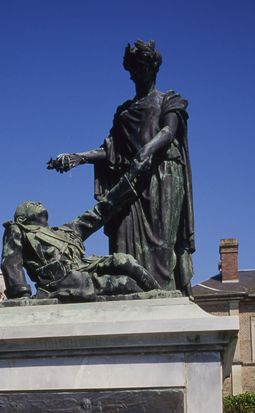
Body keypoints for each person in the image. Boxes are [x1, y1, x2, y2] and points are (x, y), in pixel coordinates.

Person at [48, 39, 195, 296]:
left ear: (153, 68)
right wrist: (77, 157)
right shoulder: (124, 112)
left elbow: (169, 131)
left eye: (142, 67)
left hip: (161, 178)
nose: (137, 74)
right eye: (133, 69)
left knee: (160, 247)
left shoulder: (169, 99)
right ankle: (129, 295)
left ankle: (163, 300)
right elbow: (110, 152)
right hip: (129, 183)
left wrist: (147, 150)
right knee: (123, 249)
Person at [1, 171, 161, 301]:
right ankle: (157, 299)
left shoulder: (66, 231)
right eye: (31, 205)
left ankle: (161, 293)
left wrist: (129, 181)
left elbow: (100, 211)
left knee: (124, 260)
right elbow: (11, 262)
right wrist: (21, 294)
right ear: (22, 218)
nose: (37, 203)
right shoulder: (18, 229)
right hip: (62, 281)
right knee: (125, 283)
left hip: (84, 268)